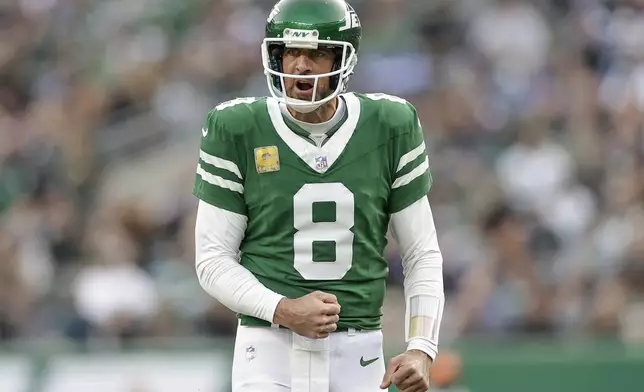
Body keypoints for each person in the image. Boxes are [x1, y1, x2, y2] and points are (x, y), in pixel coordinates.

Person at [193, 0, 444, 391]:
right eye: (291, 51)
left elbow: (421, 253)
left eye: (317, 53)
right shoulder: (236, 127)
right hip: (267, 350)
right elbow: (211, 260)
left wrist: (421, 347)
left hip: (359, 352)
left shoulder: (390, 124)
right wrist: (283, 309)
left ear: (344, 59)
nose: (300, 66)